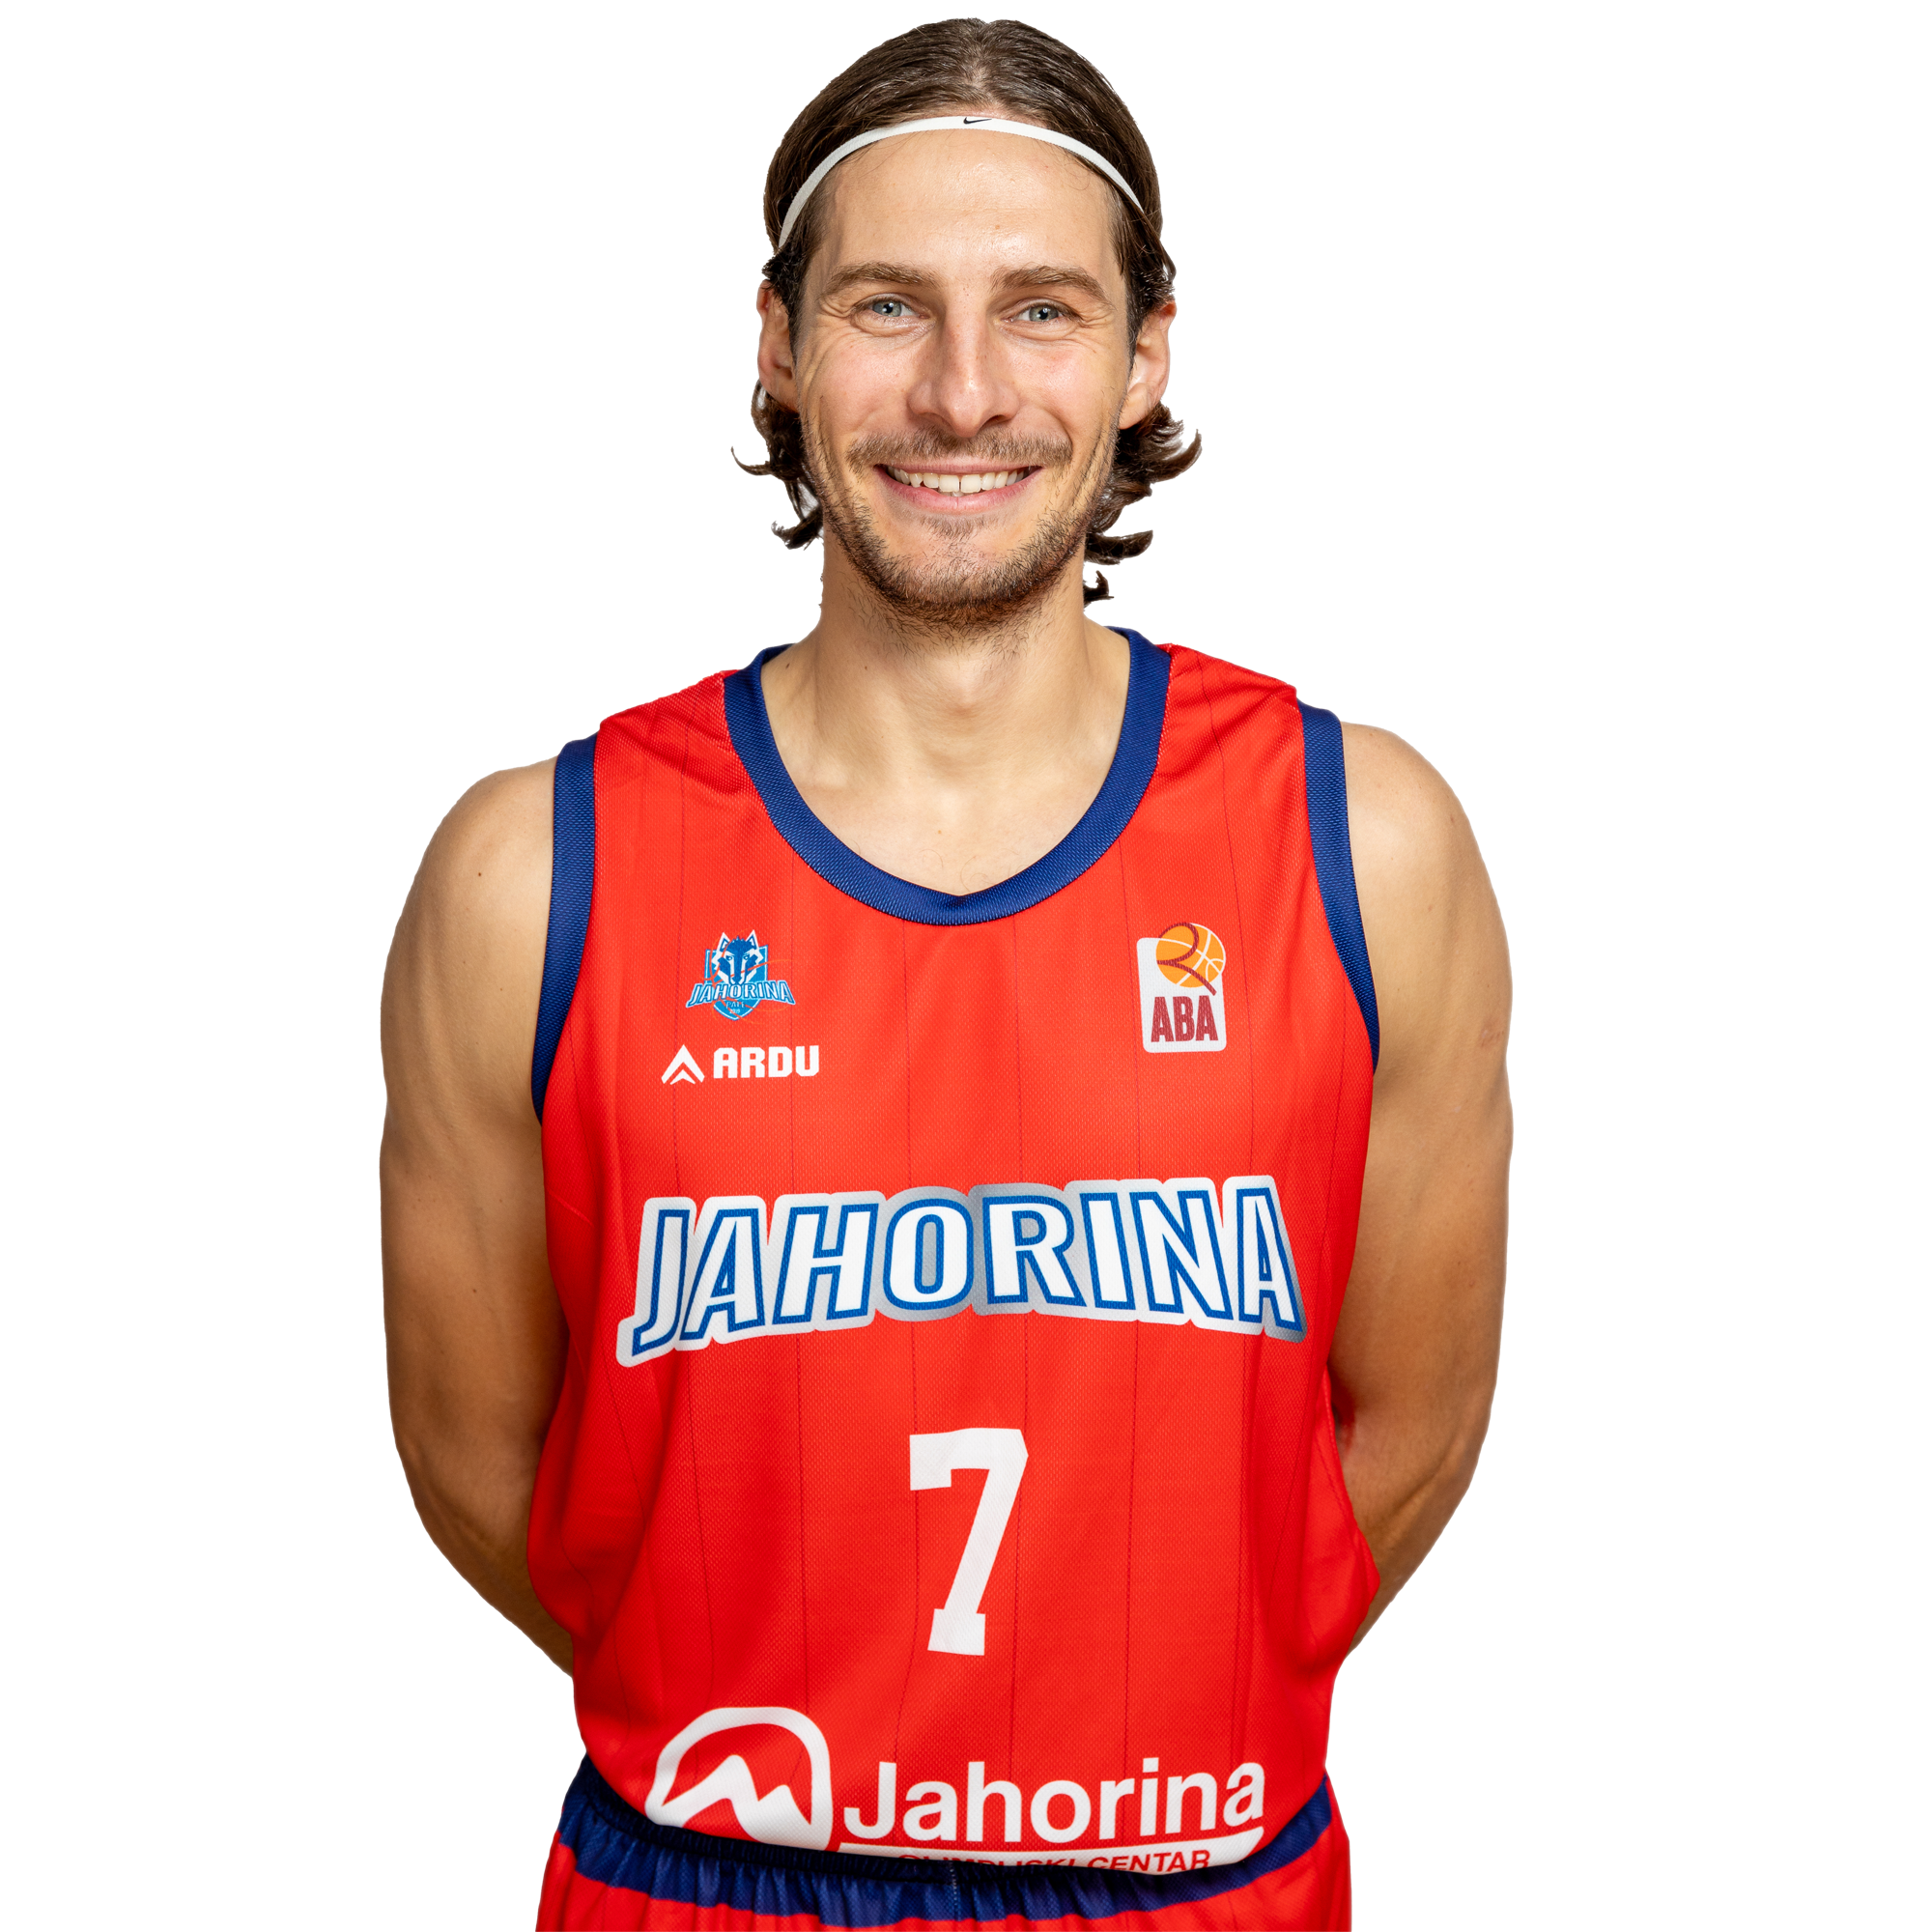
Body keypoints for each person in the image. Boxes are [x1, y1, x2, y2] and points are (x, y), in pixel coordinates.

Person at [381, 17, 1510, 1930]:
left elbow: (1406, 1434)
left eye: (1042, 311)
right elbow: (475, 1460)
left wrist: (1124, 1735)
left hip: (1196, 1878)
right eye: (887, 306)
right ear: (777, 343)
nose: (964, 392)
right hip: (708, 1877)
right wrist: (798, 1742)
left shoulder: (1365, 844)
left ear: (1145, 353)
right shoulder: (531, 873)